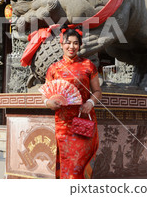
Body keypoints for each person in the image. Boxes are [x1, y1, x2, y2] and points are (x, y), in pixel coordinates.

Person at [43, 27, 102, 179]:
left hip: (83, 119)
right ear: (62, 44)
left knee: (79, 163)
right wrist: (49, 103)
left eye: (76, 43)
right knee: (66, 160)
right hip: (63, 122)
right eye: (68, 43)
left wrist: (90, 102)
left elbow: (97, 91)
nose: (72, 46)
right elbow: (46, 95)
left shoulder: (88, 65)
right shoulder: (54, 68)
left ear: (80, 45)